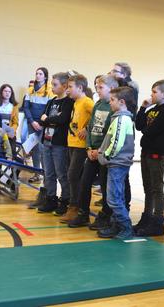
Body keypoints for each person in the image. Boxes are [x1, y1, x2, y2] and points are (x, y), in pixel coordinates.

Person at [68, 75, 119, 228]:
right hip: (92, 152)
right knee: (84, 183)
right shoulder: (97, 105)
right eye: (96, 87)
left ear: (111, 89)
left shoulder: (113, 107)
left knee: (104, 186)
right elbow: (90, 127)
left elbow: (110, 133)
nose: (97, 90)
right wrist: (89, 147)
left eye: (101, 87)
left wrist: (100, 151)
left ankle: (105, 216)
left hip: (103, 154)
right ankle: (83, 214)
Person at [134, 79, 164, 236]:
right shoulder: (152, 109)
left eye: (154, 92)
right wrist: (143, 108)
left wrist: (146, 127)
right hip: (145, 151)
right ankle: (147, 217)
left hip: (157, 154)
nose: (151, 94)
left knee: (156, 188)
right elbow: (139, 126)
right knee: (147, 187)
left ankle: (158, 221)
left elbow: (149, 130)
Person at [97, 86, 136, 240]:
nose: (110, 102)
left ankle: (126, 227)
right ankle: (116, 225)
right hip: (116, 163)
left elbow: (117, 143)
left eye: (112, 100)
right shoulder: (118, 117)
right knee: (116, 196)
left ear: (122, 102)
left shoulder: (121, 119)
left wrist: (106, 156)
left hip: (117, 163)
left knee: (113, 198)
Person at [34, 72, 74, 213]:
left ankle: (65, 200)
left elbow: (62, 119)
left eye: (55, 85)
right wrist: (50, 119)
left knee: (61, 173)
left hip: (59, 144)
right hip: (46, 141)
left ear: (64, 86)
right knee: (48, 173)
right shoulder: (51, 102)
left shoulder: (68, 102)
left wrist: (48, 119)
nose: (52, 87)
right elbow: (42, 119)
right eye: (52, 84)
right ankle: (51, 199)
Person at [60, 74, 94, 224]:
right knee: (72, 175)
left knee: (73, 175)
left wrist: (87, 128)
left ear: (80, 88)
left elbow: (98, 116)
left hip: (81, 145)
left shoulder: (87, 102)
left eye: (70, 87)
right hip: (72, 142)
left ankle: (75, 207)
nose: (68, 90)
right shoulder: (76, 102)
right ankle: (75, 206)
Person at [22, 67, 53, 183]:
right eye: (36, 73)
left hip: (43, 125)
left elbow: (49, 109)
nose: (38, 75)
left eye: (40, 74)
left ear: (45, 76)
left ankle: (46, 174)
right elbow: (26, 107)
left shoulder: (50, 91)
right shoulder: (29, 90)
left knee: (43, 148)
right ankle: (36, 173)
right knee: (34, 148)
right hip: (32, 123)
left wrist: (40, 123)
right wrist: (32, 122)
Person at [0, 84, 19, 161]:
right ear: (1, 92)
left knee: (12, 156)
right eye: (5, 91)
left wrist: (11, 131)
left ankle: (13, 173)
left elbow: (16, 123)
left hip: (10, 134)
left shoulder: (14, 106)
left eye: (9, 92)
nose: (7, 93)